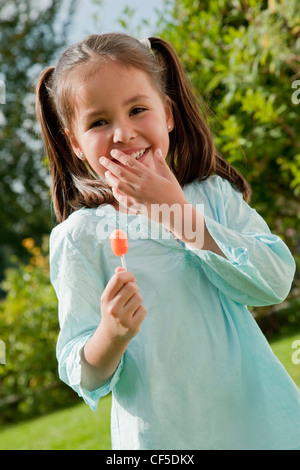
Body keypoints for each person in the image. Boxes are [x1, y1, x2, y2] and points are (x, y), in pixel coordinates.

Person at [36, 33, 300, 450]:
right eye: (99, 122)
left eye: (138, 109)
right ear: (75, 144)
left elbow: (275, 281)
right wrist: (113, 333)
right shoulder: (78, 238)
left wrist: (175, 214)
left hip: (263, 425)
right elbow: (82, 371)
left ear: (169, 115)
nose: (122, 133)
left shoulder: (211, 196)